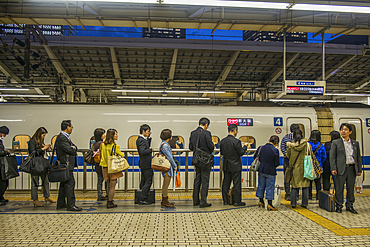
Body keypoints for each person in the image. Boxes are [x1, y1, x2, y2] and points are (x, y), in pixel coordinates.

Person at [330, 123, 362, 214]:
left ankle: (350, 205)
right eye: (342, 130)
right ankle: (339, 206)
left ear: (350, 132)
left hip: (351, 168)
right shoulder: (336, 142)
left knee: (350, 188)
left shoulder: (355, 143)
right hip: (340, 169)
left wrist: (359, 169)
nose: (343, 131)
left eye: (346, 130)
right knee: (339, 188)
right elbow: (332, 156)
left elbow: (358, 157)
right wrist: (333, 168)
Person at [55, 120, 81, 211]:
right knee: (70, 184)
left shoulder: (66, 137)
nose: (72, 129)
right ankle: (71, 205)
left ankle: (61, 203)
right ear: (67, 127)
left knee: (64, 185)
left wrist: (73, 148)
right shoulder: (62, 138)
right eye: (71, 127)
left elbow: (74, 147)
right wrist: (73, 148)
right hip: (66, 165)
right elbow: (70, 149)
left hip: (66, 165)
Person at [220, 124, 248, 207]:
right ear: (235, 131)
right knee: (236, 184)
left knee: (226, 183)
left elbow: (222, 153)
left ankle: (225, 200)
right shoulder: (236, 141)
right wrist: (245, 147)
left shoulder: (222, 141)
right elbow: (241, 152)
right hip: (235, 166)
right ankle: (237, 201)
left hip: (226, 165)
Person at [189, 117, 215, 208]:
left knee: (197, 179)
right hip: (205, 160)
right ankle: (203, 201)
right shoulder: (207, 133)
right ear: (206, 124)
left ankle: (195, 200)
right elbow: (211, 146)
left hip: (197, 159)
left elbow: (190, 147)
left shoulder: (193, 133)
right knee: (205, 180)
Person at [28, 127, 56, 207]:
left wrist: (45, 148)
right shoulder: (32, 141)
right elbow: (32, 152)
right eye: (43, 135)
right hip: (35, 165)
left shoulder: (40, 142)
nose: (44, 137)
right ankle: (35, 199)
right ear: (39, 134)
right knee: (35, 182)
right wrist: (43, 148)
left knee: (45, 181)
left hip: (42, 164)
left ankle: (47, 196)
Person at [255, 135, 280, 211]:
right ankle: (269, 204)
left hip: (261, 170)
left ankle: (261, 201)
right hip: (271, 171)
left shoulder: (261, 148)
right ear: (276, 143)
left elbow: (255, 157)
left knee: (261, 185)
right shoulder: (275, 150)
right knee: (270, 187)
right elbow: (277, 163)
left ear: (269, 140)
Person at [100, 128, 124, 208]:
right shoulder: (115, 146)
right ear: (112, 136)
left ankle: (108, 199)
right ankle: (110, 202)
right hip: (113, 167)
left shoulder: (103, 145)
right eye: (116, 134)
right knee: (112, 186)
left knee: (108, 184)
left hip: (105, 167)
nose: (117, 136)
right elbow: (121, 155)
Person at [286, 129, 310, 209]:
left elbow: (288, 156)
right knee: (305, 186)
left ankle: (293, 203)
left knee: (294, 186)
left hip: (295, 168)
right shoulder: (306, 144)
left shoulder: (290, 145)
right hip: (305, 167)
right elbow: (310, 154)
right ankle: (305, 203)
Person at [280, 124, 300, 201]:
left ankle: (288, 194)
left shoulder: (285, 138)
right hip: (297, 161)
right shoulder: (300, 138)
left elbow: (282, 148)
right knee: (296, 178)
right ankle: (296, 194)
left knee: (287, 178)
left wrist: (288, 156)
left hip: (287, 161)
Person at [159, 129, 178, 208]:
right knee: (166, 185)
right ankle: (164, 201)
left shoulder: (164, 144)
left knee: (165, 184)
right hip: (167, 167)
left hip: (167, 167)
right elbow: (170, 157)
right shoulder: (165, 145)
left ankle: (165, 200)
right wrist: (175, 166)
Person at [136, 124, 154, 205]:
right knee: (148, 181)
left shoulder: (143, 139)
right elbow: (142, 151)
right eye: (148, 131)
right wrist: (150, 150)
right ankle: (143, 198)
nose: (149, 133)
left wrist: (149, 139)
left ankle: (141, 197)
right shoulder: (140, 140)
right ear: (143, 131)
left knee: (144, 181)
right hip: (146, 164)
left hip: (145, 163)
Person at [308, 130, 327, 200]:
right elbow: (324, 156)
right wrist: (319, 163)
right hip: (318, 166)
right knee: (318, 182)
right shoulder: (321, 145)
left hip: (309, 166)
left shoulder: (307, 144)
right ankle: (318, 196)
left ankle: (309, 196)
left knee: (309, 182)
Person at [92, 128, 108, 201]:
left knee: (100, 181)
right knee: (102, 180)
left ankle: (100, 194)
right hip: (101, 165)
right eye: (103, 134)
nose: (105, 135)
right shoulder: (100, 144)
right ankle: (101, 195)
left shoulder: (96, 143)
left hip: (98, 165)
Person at [0, 126, 10, 206]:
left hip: (1, 165)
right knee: (2, 183)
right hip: (0, 165)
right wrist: (5, 152)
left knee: (4, 182)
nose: (4, 136)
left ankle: (1, 197)